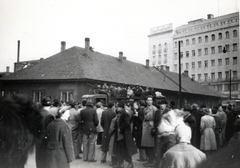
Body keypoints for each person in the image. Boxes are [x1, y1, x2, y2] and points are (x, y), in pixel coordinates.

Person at [115, 101, 137, 168]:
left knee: (125, 150)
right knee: (120, 149)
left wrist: (120, 129)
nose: (116, 108)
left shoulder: (124, 114)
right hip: (121, 135)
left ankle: (130, 163)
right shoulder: (120, 113)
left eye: (117, 106)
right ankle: (120, 163)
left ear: (121, 107)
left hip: (124, 135)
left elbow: (127, 123)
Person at [141, 96, 157, 167]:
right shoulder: (145, 108)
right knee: (146, 145)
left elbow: (156, 119)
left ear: (152, 101)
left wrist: (154, 128)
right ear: (146, 101)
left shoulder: (154, 109)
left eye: (150, 100)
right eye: (148, 100)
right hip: (145, 126)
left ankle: (152, 161)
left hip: (151, 127)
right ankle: (149, 160)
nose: (149, 101)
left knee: (150, 145)